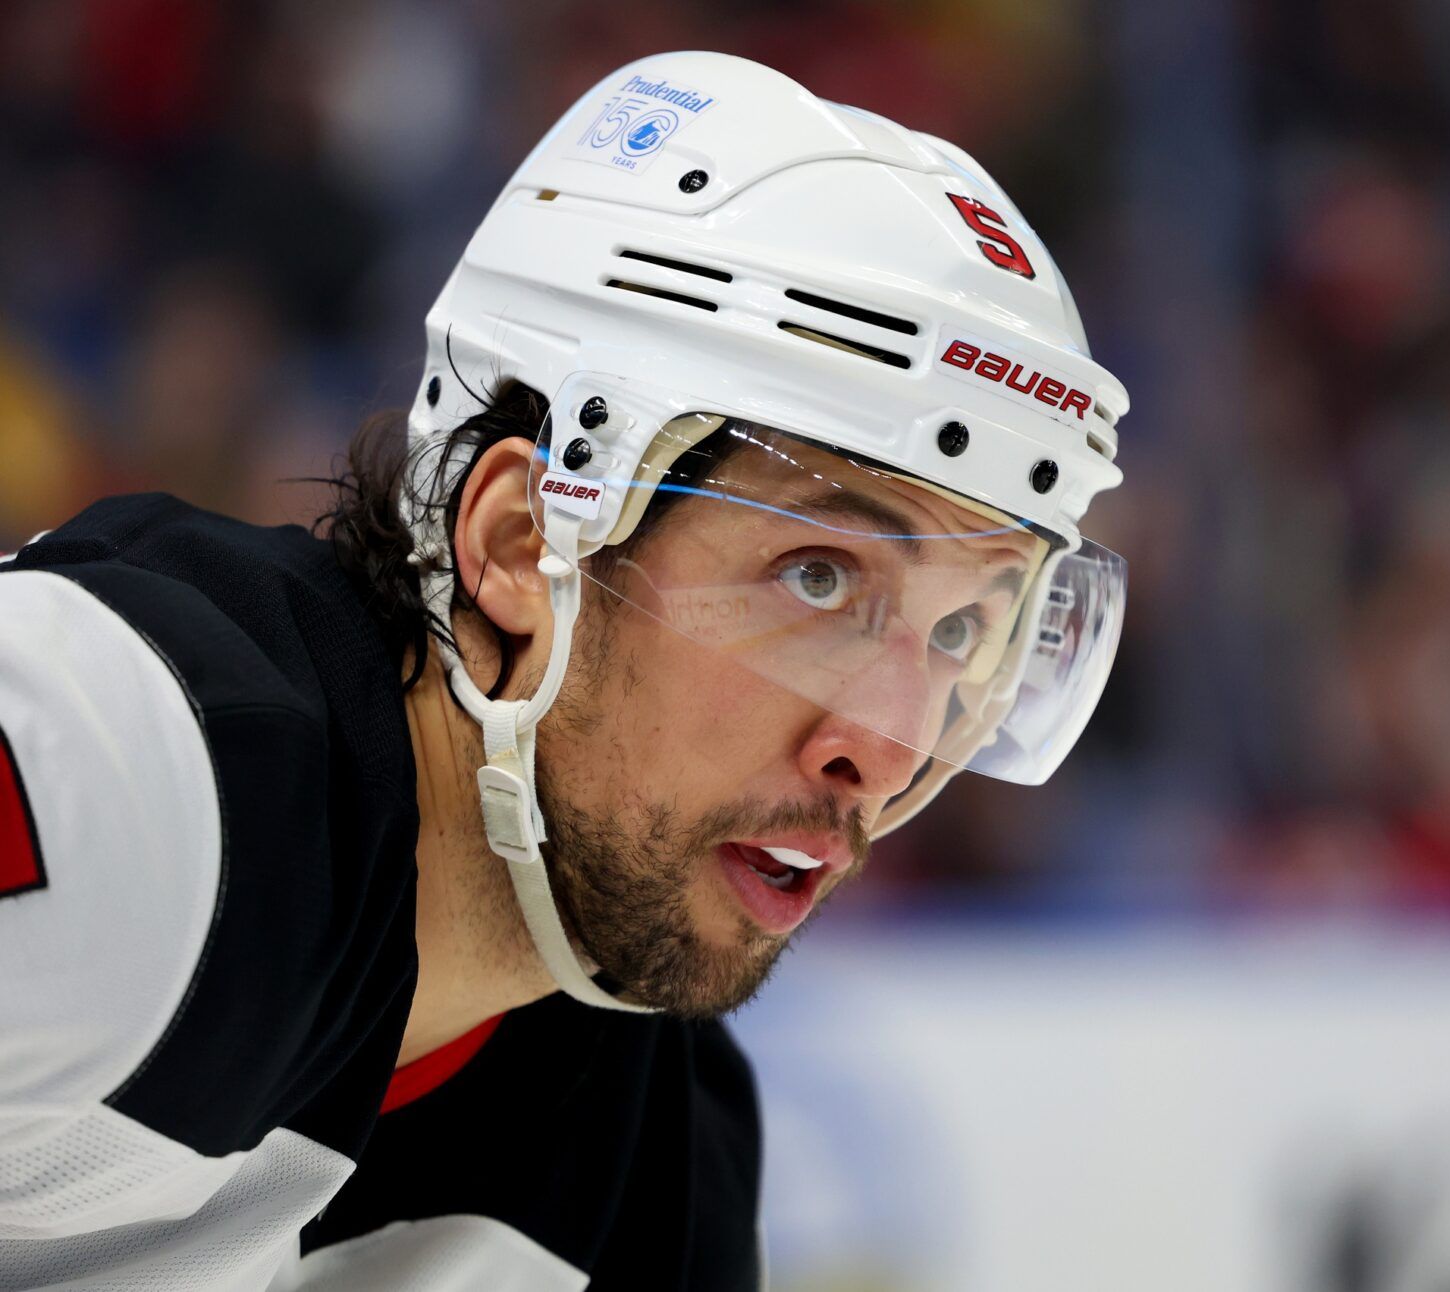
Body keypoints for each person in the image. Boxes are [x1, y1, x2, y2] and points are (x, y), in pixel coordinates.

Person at [0, 49, 1129, 1291]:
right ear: (521, 545)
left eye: (966, 630)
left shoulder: (659, 1168)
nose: (891, 746)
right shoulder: (130, 766)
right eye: (819, 575)